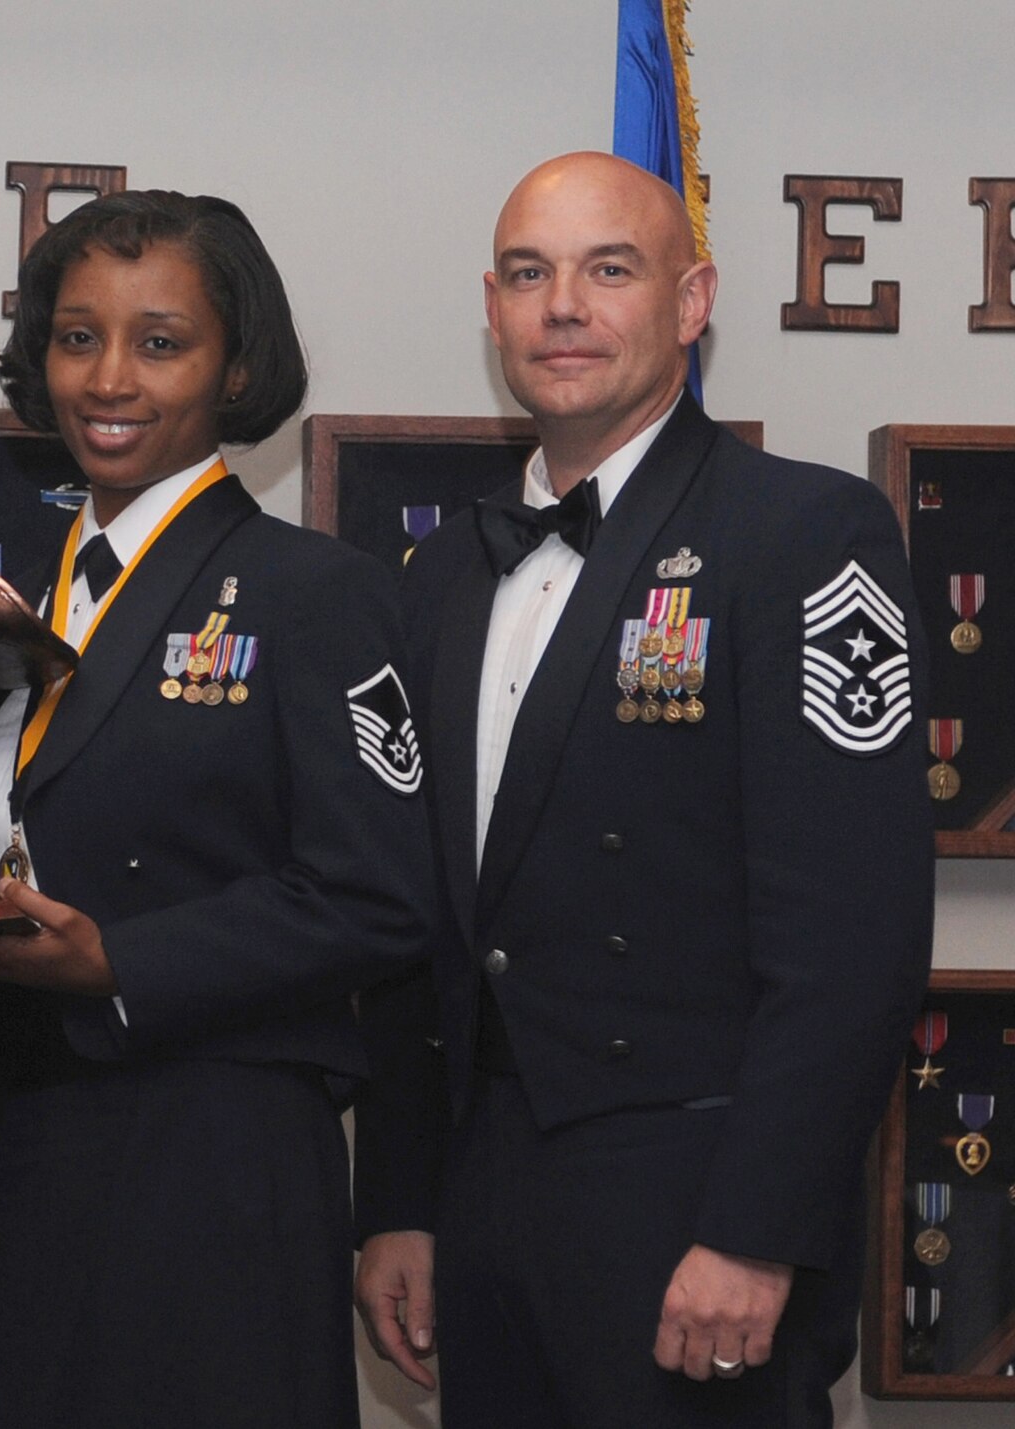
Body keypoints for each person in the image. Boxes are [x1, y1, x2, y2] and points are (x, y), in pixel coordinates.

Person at [352, 151, 934, 1428]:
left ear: (690, 302)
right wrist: (397, 1195)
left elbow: (854, 937)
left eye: (607, 269)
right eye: (526, 273)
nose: (560, 305)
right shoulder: (437, 577)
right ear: (491, 308)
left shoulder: (800, 536)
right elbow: (414, 928)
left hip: (695, 1208)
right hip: (481, 1198)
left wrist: (757, 1231)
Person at [0, 190, 438, 1429]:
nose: (108, 378)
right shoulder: (2, 607)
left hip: (223, 1150)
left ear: (235, 364)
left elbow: (378, 895)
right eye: (76, 337)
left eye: (160, 340)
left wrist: (115, 960)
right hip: (45, 1140)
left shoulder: (314, 593)